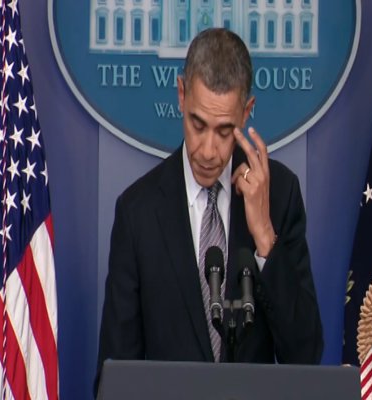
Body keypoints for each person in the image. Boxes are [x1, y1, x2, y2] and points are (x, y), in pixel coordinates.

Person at [96, 28, 323, 391]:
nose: (207, 150)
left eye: (224, 131)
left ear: (246, 112)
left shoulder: (280, 196)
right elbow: (115, 377)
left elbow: (306, 354)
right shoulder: (137, 212)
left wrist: (265, 236)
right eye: (198, 125)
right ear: (181, 94)